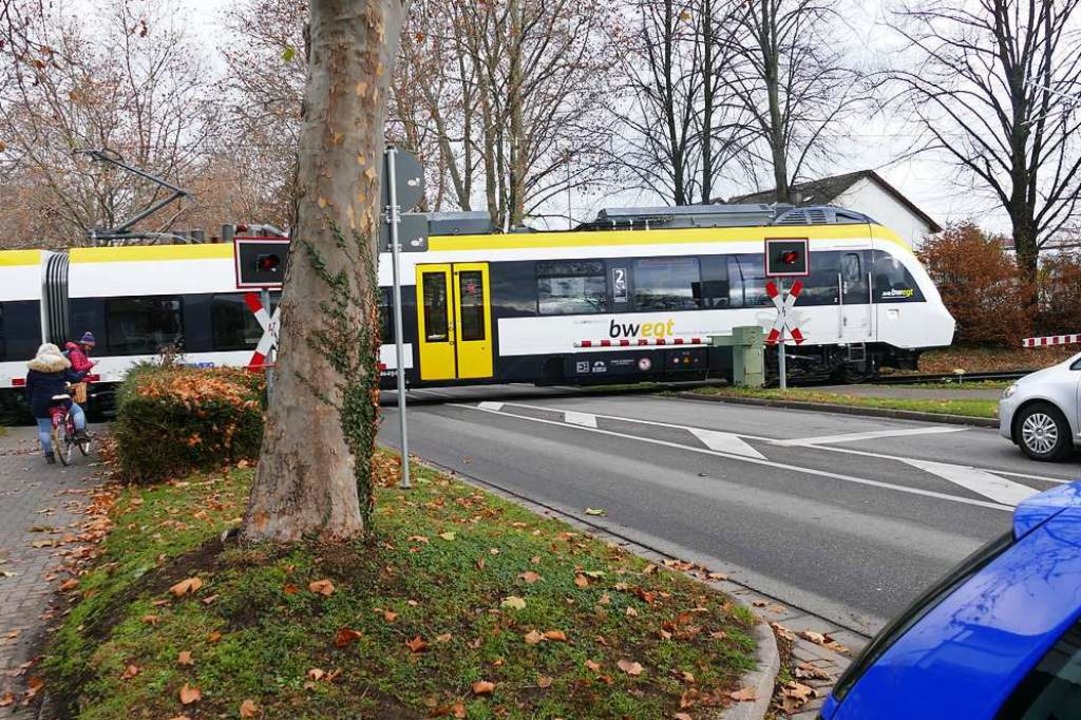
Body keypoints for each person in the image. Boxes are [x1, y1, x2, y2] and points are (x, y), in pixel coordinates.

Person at [25, 343, 89, 464]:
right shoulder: (61, 365)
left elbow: (29, 389)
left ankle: (49, 455)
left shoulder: (33, 369)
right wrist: (82, 373)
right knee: (78, 411)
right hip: (60, 398)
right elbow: (74, 379)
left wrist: (30, 402)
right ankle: (80, 432)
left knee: (44, 430)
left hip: (40, 402)